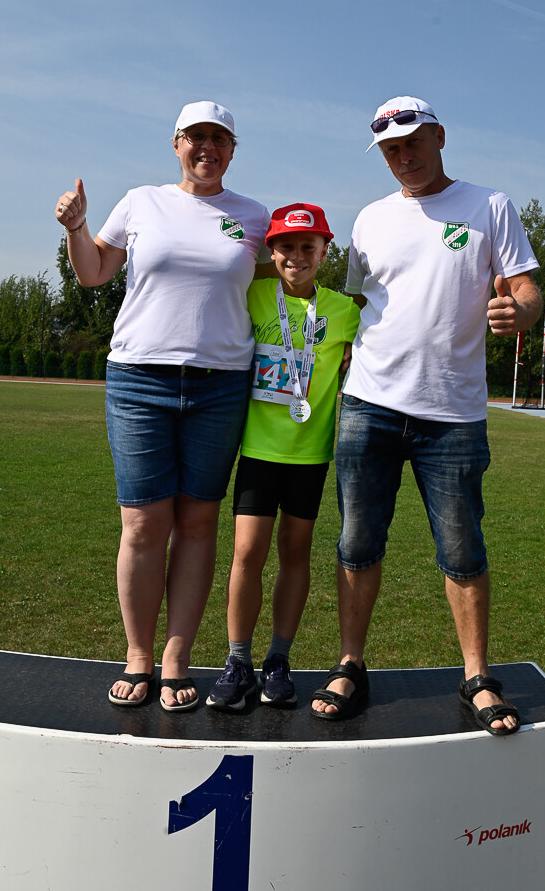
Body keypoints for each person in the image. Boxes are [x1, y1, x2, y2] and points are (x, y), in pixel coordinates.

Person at [310, 96, 542, 734]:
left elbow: (526, 287)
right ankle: (350, 665)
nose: (403, 157)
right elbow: (355, 306)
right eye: (390, 150)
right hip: (369, 405)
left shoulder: (489, 205)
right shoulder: (370, 219)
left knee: (463, 549)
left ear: (439, 136)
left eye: (412, 142)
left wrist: (520, 313)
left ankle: (476, 676)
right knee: (357, 542)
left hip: (453, 415)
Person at [54, 101, 270, 712]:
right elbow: (94, 272)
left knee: (198, 524)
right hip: (139, 380)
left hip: (221, 386)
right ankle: (139, 655)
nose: (207, 148)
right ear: (176, 144)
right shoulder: (139, 202)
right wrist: (76, 228)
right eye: (195, 137)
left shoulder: (255, 216)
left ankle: (176, 658)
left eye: (219, 139)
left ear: (233, 150)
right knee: (144, 525)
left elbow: (274, 291)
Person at [207, 204, 360, 712]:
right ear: (270, 252)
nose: (297, 256)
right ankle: (237, 661)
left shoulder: (344, 310)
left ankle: (278, 660)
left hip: (310, 456)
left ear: (324, 251)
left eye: (308, 246)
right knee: (247, 553)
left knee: (295, 553)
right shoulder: (252, 294)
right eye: (286, 247)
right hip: (258, 451)